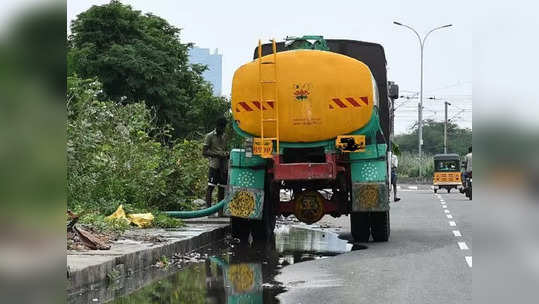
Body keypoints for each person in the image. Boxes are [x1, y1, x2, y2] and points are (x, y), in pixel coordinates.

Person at [203, 117, 229, 216]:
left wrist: (226, 154)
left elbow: (224, 149)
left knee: (222, 188)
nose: (222, 129)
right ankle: (208, 211)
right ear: (217, 126)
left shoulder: (225, 136)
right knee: (211, 187)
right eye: (221, 127)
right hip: (214, 165)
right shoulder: (209, 136)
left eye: (224, 127)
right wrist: (217, 155)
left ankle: (220, 212)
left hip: (223, 166)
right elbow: (204, 152)